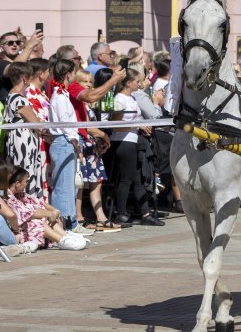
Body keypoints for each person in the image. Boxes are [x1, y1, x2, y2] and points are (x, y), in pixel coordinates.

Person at [106, 68, 165, 227]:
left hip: (133, 142)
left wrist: (140, 125)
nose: (140, 84)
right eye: (137, 81)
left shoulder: (131, 98)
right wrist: (138, 125)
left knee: (138, 180)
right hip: (122, 142)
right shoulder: (119, 99)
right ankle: (121, 213)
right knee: (126, 179)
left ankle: (145, 213)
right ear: (128, 83)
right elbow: (117, 126)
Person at [48, 58, 94, 236]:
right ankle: (66, 223)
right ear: (68, 74)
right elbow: (65, 123)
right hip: (63, 142)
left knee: (70, 186)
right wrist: (74, 141)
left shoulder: (63, 94)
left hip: (67, 141)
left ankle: (71, 221)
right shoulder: (59, 96)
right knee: (64, 187)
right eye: (74, 73)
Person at [72, 70, 118, 232]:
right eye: (84, 81)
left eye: (90, 81)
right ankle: (78, 217)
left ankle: (101, 218)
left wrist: (99, 139)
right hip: (81, 145)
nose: (89, 84)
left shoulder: (87, 104)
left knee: (96, 182)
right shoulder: (77, 100)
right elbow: (86, 126)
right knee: (80, 184)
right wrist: (104, 136)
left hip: (92, 146)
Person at [3, 165, 87, 251]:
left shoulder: (20, 194)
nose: (27, 184)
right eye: (26, 182)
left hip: (24, 227)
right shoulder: (7, 196)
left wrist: (54, 211)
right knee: (37, 221)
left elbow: (40, 203)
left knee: (47, 218)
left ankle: (66, 236)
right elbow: (30, 213)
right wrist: (51, 214)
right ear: (17, 184)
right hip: (16, 231)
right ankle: (61, 240)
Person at [3, 62, 44, 197]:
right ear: (25, 78)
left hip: (16, 140)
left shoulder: (10, 95)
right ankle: (27, 207)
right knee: (24, 176)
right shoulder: (19, 99)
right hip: (23, 143)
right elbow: (36, 124)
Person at [0, 28, 44, 102]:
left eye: (18, 42)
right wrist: (30, 46)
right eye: (10, 43)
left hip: (27, 103)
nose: (15, 45)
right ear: (2, 47)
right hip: (12, 107)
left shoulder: (25, 62)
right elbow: (14, 68)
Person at [25, 58, 52, 197]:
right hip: (39, 143)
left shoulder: (40, 93)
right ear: (41, 74)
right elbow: (39, 121)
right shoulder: (29, 93)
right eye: (48, 71)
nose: (50, 74)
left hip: (47, 142)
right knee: (42, 181)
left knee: (48, 180)